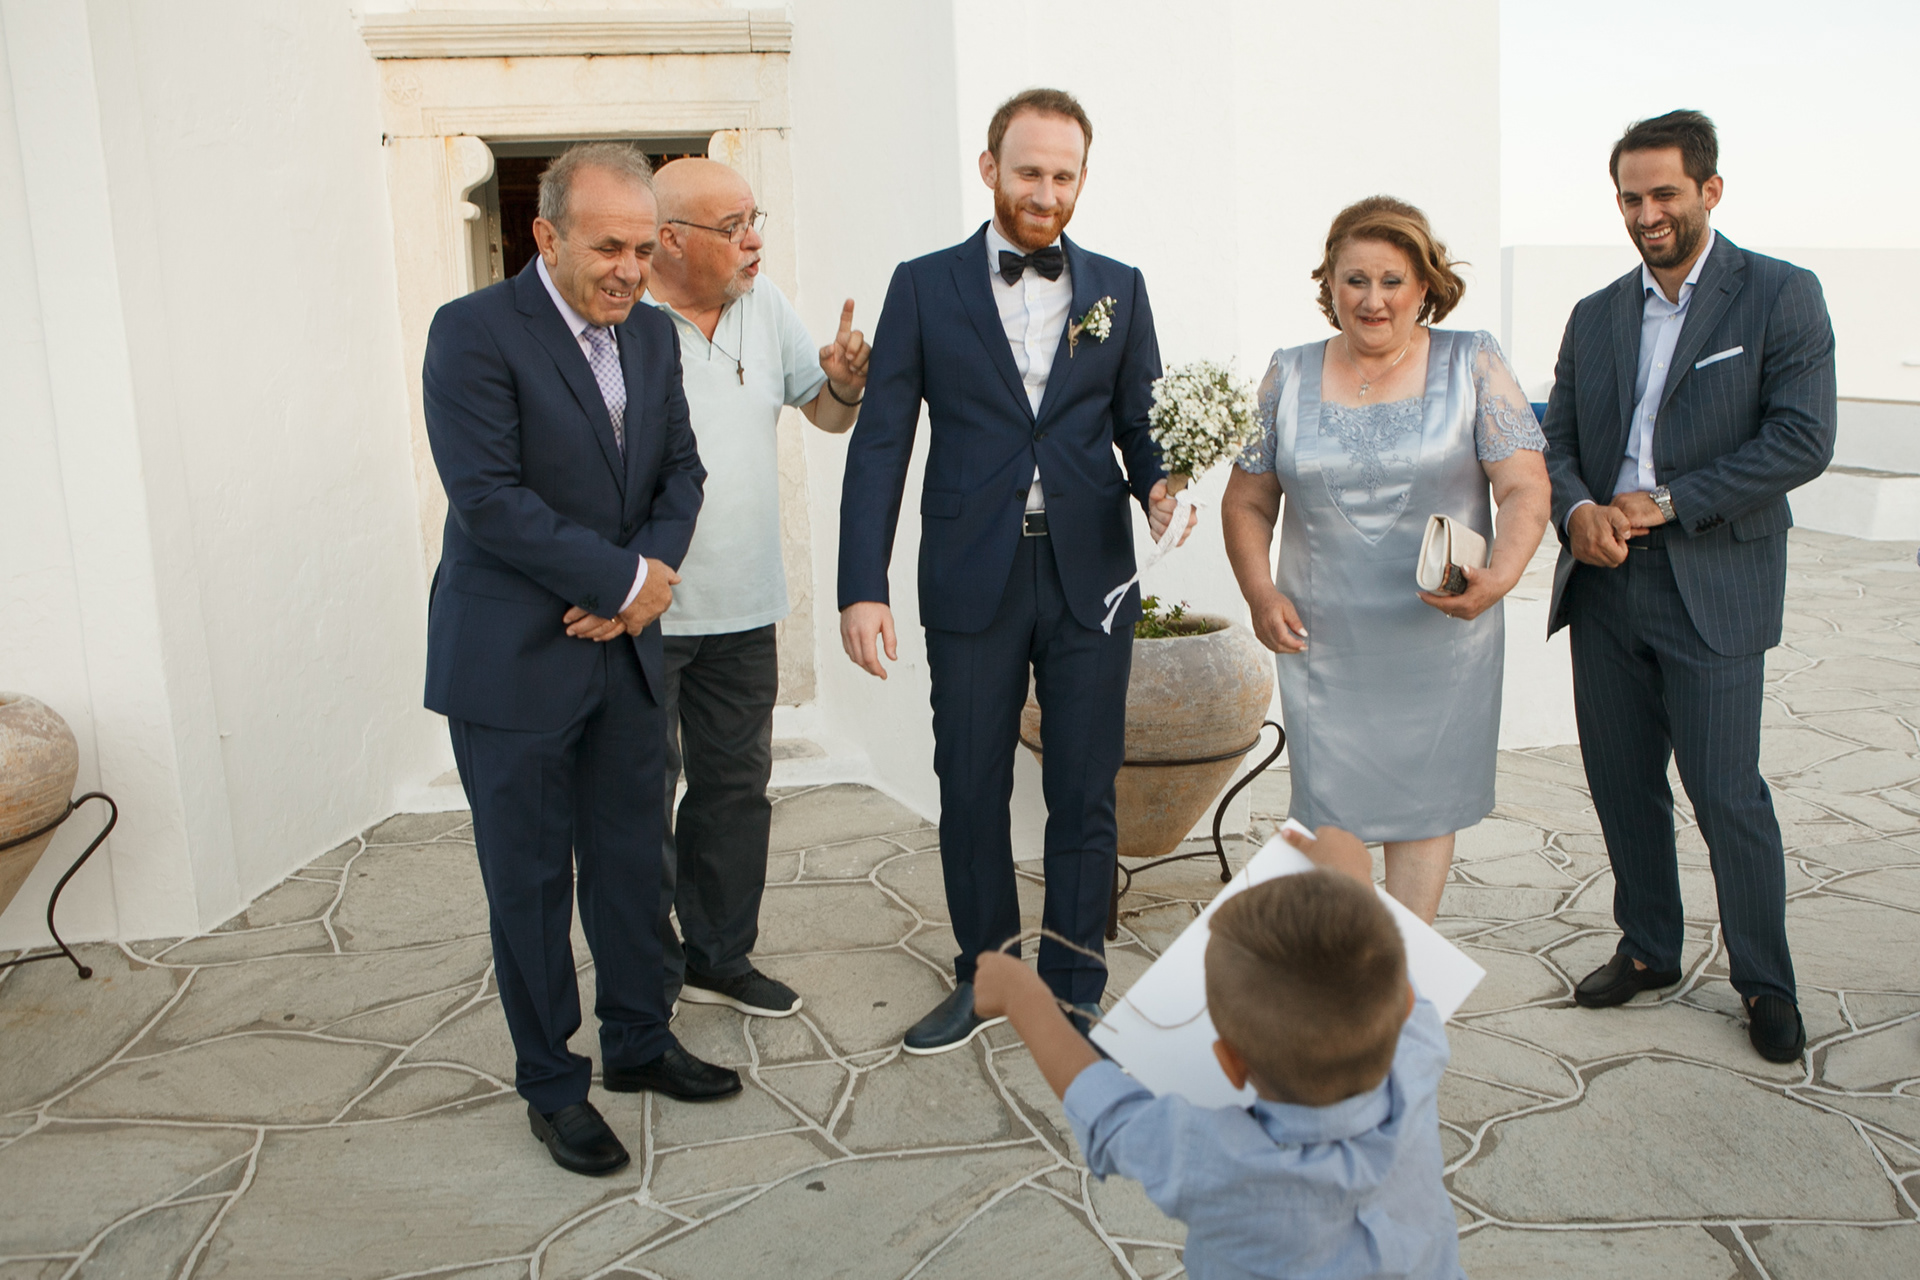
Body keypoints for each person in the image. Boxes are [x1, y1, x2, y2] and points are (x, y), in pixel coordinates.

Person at [838, 88, 1192, 1054]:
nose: (1046, 191)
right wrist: (860, 585)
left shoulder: (1119, 284)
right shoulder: (922, 284)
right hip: (970, 574)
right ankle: (987, 977)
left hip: (1092, 577)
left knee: (1084, 785)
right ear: (990, 168)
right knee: (971, 780)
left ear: (1083, 178)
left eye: (1064, 175)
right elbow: (880, 445)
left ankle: (1075, 987)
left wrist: (1159, 486)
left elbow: (1139, 424)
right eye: (1029, 171)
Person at [422, 143, 740, 1178]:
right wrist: (625, 583)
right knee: (528, 883)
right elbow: (490, 497)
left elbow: (683, 470)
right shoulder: (470, 335)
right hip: (515, 660)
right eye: (609, 245)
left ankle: (639, 1041)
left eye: (647, 248)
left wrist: (647, 577)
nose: (630, 268)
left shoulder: (652, 337)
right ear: (545, 235)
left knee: (630, 860)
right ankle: (553, 1085)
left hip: (626, 655)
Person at [1542, 110, 1836, 1062]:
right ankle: (1649, 949)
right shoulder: (1595, 314)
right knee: (1622, 784)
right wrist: (1578, 511)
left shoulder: (1781, 295)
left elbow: (1801, 439)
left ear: (1710, 190)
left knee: (1725, 792)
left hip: (1712, 577)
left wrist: (1663, 504)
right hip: (1605, 582)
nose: (1646, 213)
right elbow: (1557, 442)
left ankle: (1764, 979)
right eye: (1630, 197)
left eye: (1665, 193)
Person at [1222, 197, 1550, 923]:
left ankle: (1402, 984)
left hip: (1441, 633)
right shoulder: (1289, 373)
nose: (1373, 300)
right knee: (1328, 815)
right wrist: (1258, 590)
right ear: (1330, 287)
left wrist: (1505, 572)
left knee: (1424, 811)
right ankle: (1350, 979)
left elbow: (1524, 484)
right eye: (1355, 280)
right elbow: (1246, 502)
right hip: (1321, 636)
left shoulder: (1474, 361)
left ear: (1425, 286)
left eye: (1392, 280)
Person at [974, 823, 1463, 1280]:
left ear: (1231, 1064)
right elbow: (1381, 963)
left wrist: (1024, 997)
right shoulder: (1416, 1057)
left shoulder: (1215, 1157)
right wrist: (1348, 870)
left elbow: (1108, 1116)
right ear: (1404, 1002)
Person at [641, 158, 869, 1021]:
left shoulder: (763, 306)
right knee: (641, 797)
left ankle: (721, 955)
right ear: (671, 241)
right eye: (733, 225)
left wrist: (845, 376)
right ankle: (645, 971)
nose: (754, 238)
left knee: (734, 792)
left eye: (754, 217)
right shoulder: (624, 319)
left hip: (744, 607)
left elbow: (827, 412)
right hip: (646, 611)